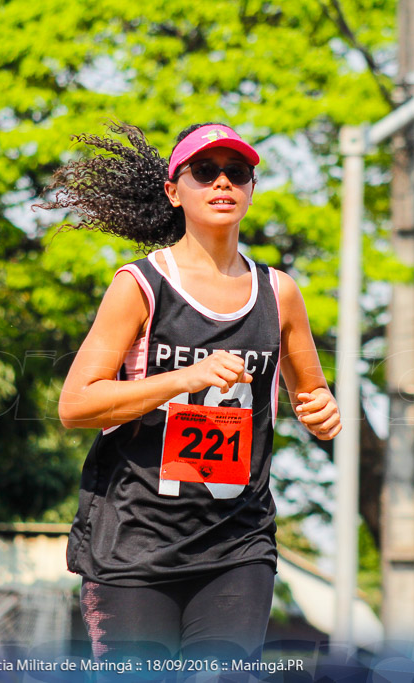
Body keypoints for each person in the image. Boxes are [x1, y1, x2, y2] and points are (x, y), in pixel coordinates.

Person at [44, 121, 341, 664]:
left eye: (237, 172)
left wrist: (321, 411)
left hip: (238, 542)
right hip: (134, 546)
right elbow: (76, 404)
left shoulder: (280, 293)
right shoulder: (140, 286)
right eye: (204, 172)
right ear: (173, 190)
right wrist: (185, 377)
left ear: (252, 188)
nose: (222, 183)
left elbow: (312, 396)